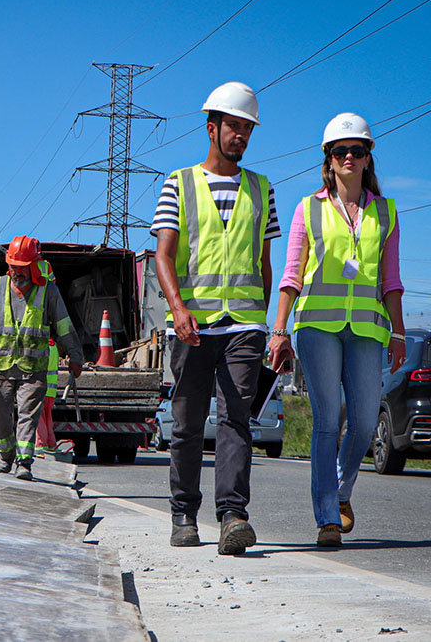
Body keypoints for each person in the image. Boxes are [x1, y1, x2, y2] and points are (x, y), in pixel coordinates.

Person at [152, 81, 281, 555]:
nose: (241, 136)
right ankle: (184, 514)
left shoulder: (262, 189)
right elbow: (162, 256)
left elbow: (264, 263)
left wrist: (267, 321)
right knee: (186, 425)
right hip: (191, 326)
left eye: (248, 129)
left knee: (236, 421)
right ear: (212, 128)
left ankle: (232, 516)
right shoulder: (178, 184)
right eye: (234, 126)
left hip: (243, 326)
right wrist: (179, 309)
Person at [269, 113, 405, 548]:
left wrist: (399, 334)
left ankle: (341, 493)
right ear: (328, 160)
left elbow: (391, 280)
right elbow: (291, 274)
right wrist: (278, 330)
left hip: (367, 330)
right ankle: (327, 517)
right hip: (316, 327)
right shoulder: (308, 208)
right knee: (329, 420)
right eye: (339, 151)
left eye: (357, 150)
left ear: (368, 158)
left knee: (364, 422)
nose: (348, 157)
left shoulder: (385, 211)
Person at [0, 235, 84, 480]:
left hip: (34, 368)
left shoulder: (48, 291)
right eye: (12, 266)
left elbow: (64, 326)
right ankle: (6, 457)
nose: (16, 272)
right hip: (3, 366)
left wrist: (75, 356)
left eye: (21, 267)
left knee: (28, 416)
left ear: (33, 266)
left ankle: (24, 463)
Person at [35, 338, 59, 455]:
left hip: (39, 388)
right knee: (48, 419)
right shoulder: (54, 347)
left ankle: (40, 447)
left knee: (39, 421)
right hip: (51, 391)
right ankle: (51, 445)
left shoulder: (39, 347)